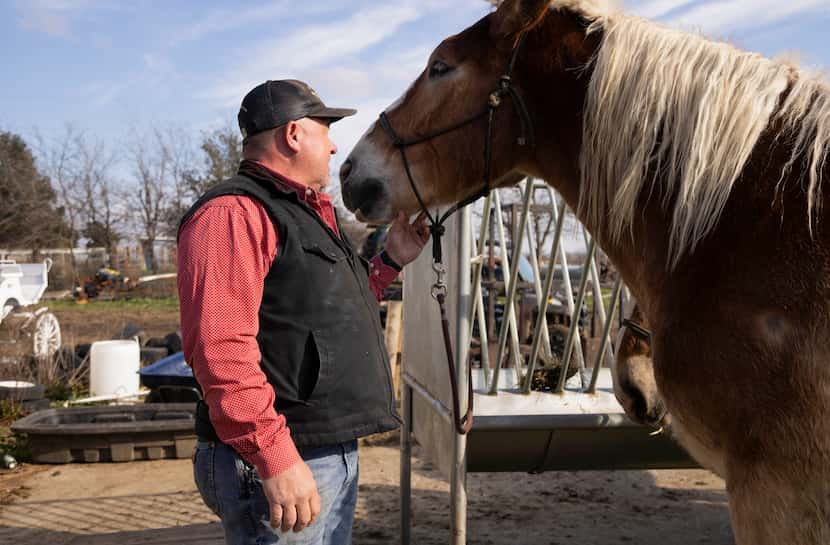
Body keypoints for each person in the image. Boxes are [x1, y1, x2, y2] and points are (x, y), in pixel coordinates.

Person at [177, 79, 430, 545]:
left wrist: (390, 259)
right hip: (284, 455)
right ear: (293, 134)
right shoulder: (233, 213)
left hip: (318, 449)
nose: (334, 147)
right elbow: (219, 350)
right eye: (325, 130)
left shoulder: (305, 212)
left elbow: (327, 312)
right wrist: (274, 456)